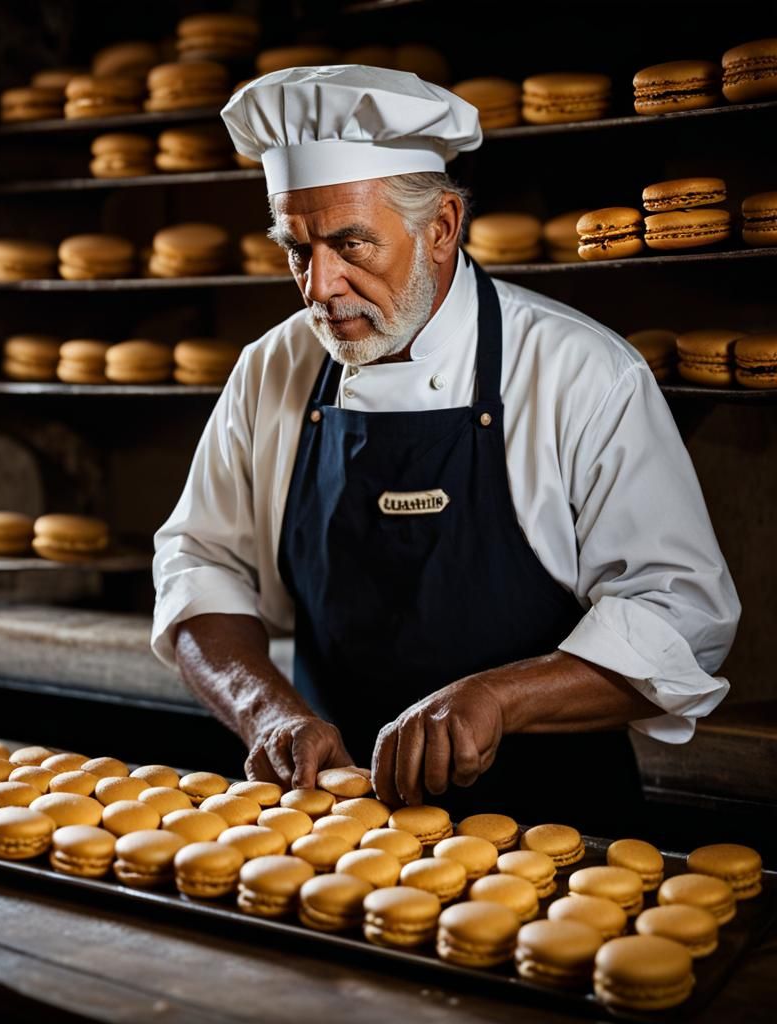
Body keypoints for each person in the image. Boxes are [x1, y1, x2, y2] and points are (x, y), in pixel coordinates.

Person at [150, 66, 740, 831]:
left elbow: (682, 613)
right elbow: (199, 568)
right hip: (337, 834)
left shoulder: (580, 374)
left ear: (443, 226)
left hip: (558, 839)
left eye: (351, 243)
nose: (320, 286)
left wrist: (500, 697)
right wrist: (267, 713)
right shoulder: (274, 370)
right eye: (297, 249)